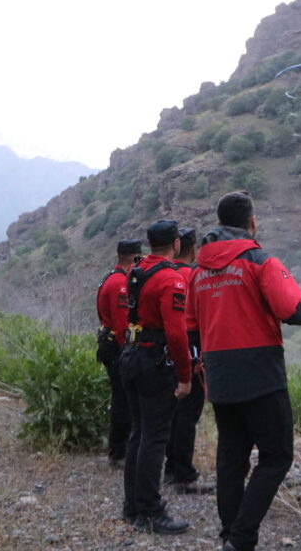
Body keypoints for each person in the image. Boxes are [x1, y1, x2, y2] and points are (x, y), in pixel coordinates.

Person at [186, 191, 301, 551]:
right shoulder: (260, 261)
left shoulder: (198, 271)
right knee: (277, 455)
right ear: (252, 223)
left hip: (219, 375)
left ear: (218, 223)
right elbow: (294, 311)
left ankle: (230, 535)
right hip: (260, 373)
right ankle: (242, 538)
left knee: (232, 458)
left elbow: (191, 326)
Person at [120, 220, 192, 535]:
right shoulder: (171, 279)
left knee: (139, 433)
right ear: (176, 244)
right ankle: (150, 511)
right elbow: (176, 333)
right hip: (153, 361)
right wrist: (185, 376)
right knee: (154, 437)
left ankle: (132, 507)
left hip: (131, 355)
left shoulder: (137, 271)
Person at [164, 227, 213, 495]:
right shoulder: (192, 277)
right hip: (191, 350)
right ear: (192, 249)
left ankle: (172, 468)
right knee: (188, 413)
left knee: (174, 411)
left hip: (166, 352)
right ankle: (183, 473)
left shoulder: (164, 275)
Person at [95, 238, 142, 467]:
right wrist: (130, 351)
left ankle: (119, 450)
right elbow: (123, 323)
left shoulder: (112, 278)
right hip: (116, 347)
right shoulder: (120, 284)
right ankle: (119, 452)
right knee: (124, 400)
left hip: (111, 344)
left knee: (122, 398)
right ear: (134, 257)